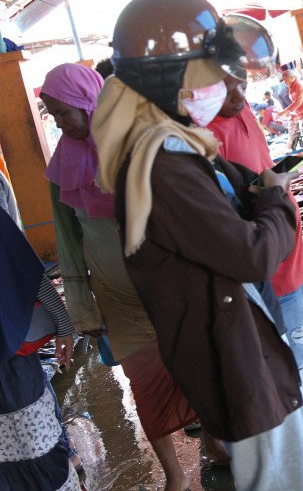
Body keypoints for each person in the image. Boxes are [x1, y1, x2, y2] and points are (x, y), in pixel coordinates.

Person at [92, 0, 303, 490]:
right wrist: (278, 199)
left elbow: (236, 188)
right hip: (233, 355)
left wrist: (260, 190)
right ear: (170, 78)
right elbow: (253, 254)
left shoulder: (180, 147)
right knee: (282, 482)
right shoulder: (161, 166)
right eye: (211, 72)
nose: (223, 84)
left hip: (246, 339)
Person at [41, 63, 202, 491]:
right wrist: (82, 311)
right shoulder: (61, 170)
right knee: (145, 383)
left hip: (169, 283)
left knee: (196, 367)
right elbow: (68, 243)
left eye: (64, 112)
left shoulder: (141, 141)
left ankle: (217, 448)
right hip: (117, 294)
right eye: (52, 116)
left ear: (87, 101)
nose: (60, 123)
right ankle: (175, 474)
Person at [206, 74, 303, 481]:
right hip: (271, 284)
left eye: (241, 81)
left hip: (297, 267)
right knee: (293, 384)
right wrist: (269, 193)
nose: (240, 92)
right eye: (227, 85)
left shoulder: (245, 116)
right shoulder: (202, 141)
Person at [0, 209, 80, 491]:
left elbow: (26, 272)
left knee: (39, 447)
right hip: (12, 364)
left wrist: (63, 324)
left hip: (12, 365)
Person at [276, 69, 303, 134]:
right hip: (301, 114)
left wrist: (283, 112)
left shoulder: (299, 85)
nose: (285, 82)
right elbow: (295, 102)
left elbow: (298, 102)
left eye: (286, 80)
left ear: (292, 77)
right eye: (284, 81)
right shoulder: (292, 87)